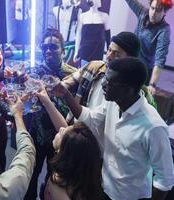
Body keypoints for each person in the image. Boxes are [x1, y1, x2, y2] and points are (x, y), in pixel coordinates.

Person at [53, 57, 174, 199]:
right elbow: (90, 118)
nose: (103, 84)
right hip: (105, 187)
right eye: (105, 78)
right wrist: (66, 95)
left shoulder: (153, 126)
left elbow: (165, 179)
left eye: (110, 82)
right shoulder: (114, 103)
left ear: (128, 89)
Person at [24, 28, 77, 200]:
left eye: (53, 47)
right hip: (37, 133)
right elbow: (25, 103)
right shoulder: (32, 73)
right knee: (32, 172)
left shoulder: (74, 74)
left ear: (63, 49)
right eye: (45, 47)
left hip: (61, 134)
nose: (48, 51)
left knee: (55, 176)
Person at [63, 31, 156, 120]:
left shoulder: (134, 91)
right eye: (109, 50)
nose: (108, 56)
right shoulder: (94, 67)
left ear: (129, 60)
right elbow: (66, 84)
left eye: (116, 54)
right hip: (79, 128)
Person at [124, 0, 173, 94]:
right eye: (152, 8)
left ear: (164, 12)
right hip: (130, 61)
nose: (154, 13)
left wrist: (152, 84)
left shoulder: (164, 30)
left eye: (158, 10)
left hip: (143, 70)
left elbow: (160, 59)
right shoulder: (143, 13)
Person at [44, 123, 103, 200]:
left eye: (62, 133)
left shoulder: (58, 187)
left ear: (64, 151)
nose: (61, 128)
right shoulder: (83, 181)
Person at [74, 0, 110, 67]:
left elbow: (108, 36)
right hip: (85, 50)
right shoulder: (83, 16)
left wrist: (108, 52)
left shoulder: (104, 16)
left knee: (96, 72)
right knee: (83, 72)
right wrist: (76, 51)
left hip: (98, 50)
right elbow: (78, 34)